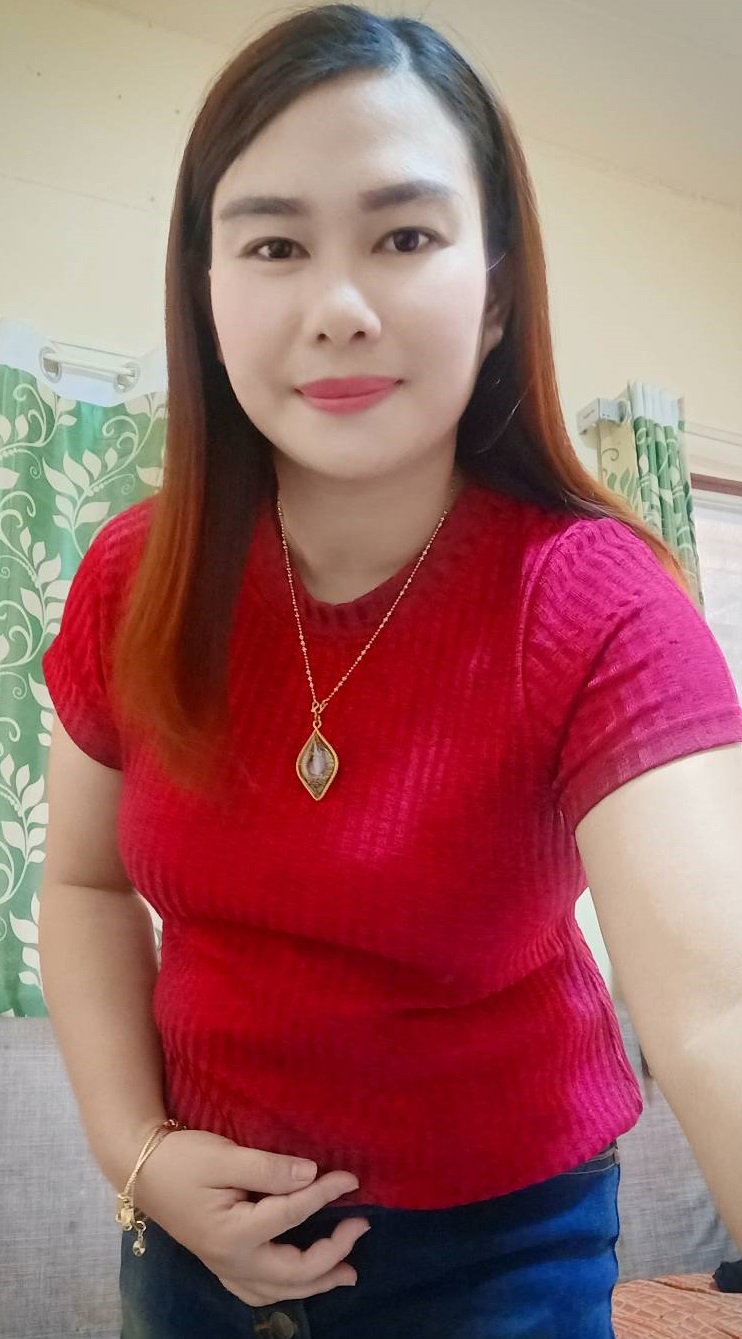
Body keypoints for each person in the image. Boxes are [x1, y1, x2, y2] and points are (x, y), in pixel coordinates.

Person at [38, 6, 742, 1338]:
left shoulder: (597, 601)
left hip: (505, 1249)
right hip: (193, 1234)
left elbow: (718, 1010)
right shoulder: (135, 575)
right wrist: (136, 1153)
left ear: (497, 295)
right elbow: (79, 884)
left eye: (405, 237)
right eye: (274, 245)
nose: (339, 309)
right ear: (207, 290)